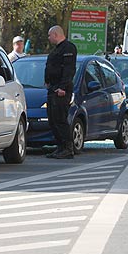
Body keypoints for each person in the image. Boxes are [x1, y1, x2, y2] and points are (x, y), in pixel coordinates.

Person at [44, 25, 77, 159]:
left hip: (61, 89)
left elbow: (68, 70)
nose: (48, 38)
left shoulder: (68, 48)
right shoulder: (57, 49)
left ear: (56, 34)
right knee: (53, 120)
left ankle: (68, 148)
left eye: (49, 35)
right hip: (53, 88)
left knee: (60, 119)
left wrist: (63, 87)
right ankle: (60, 147)